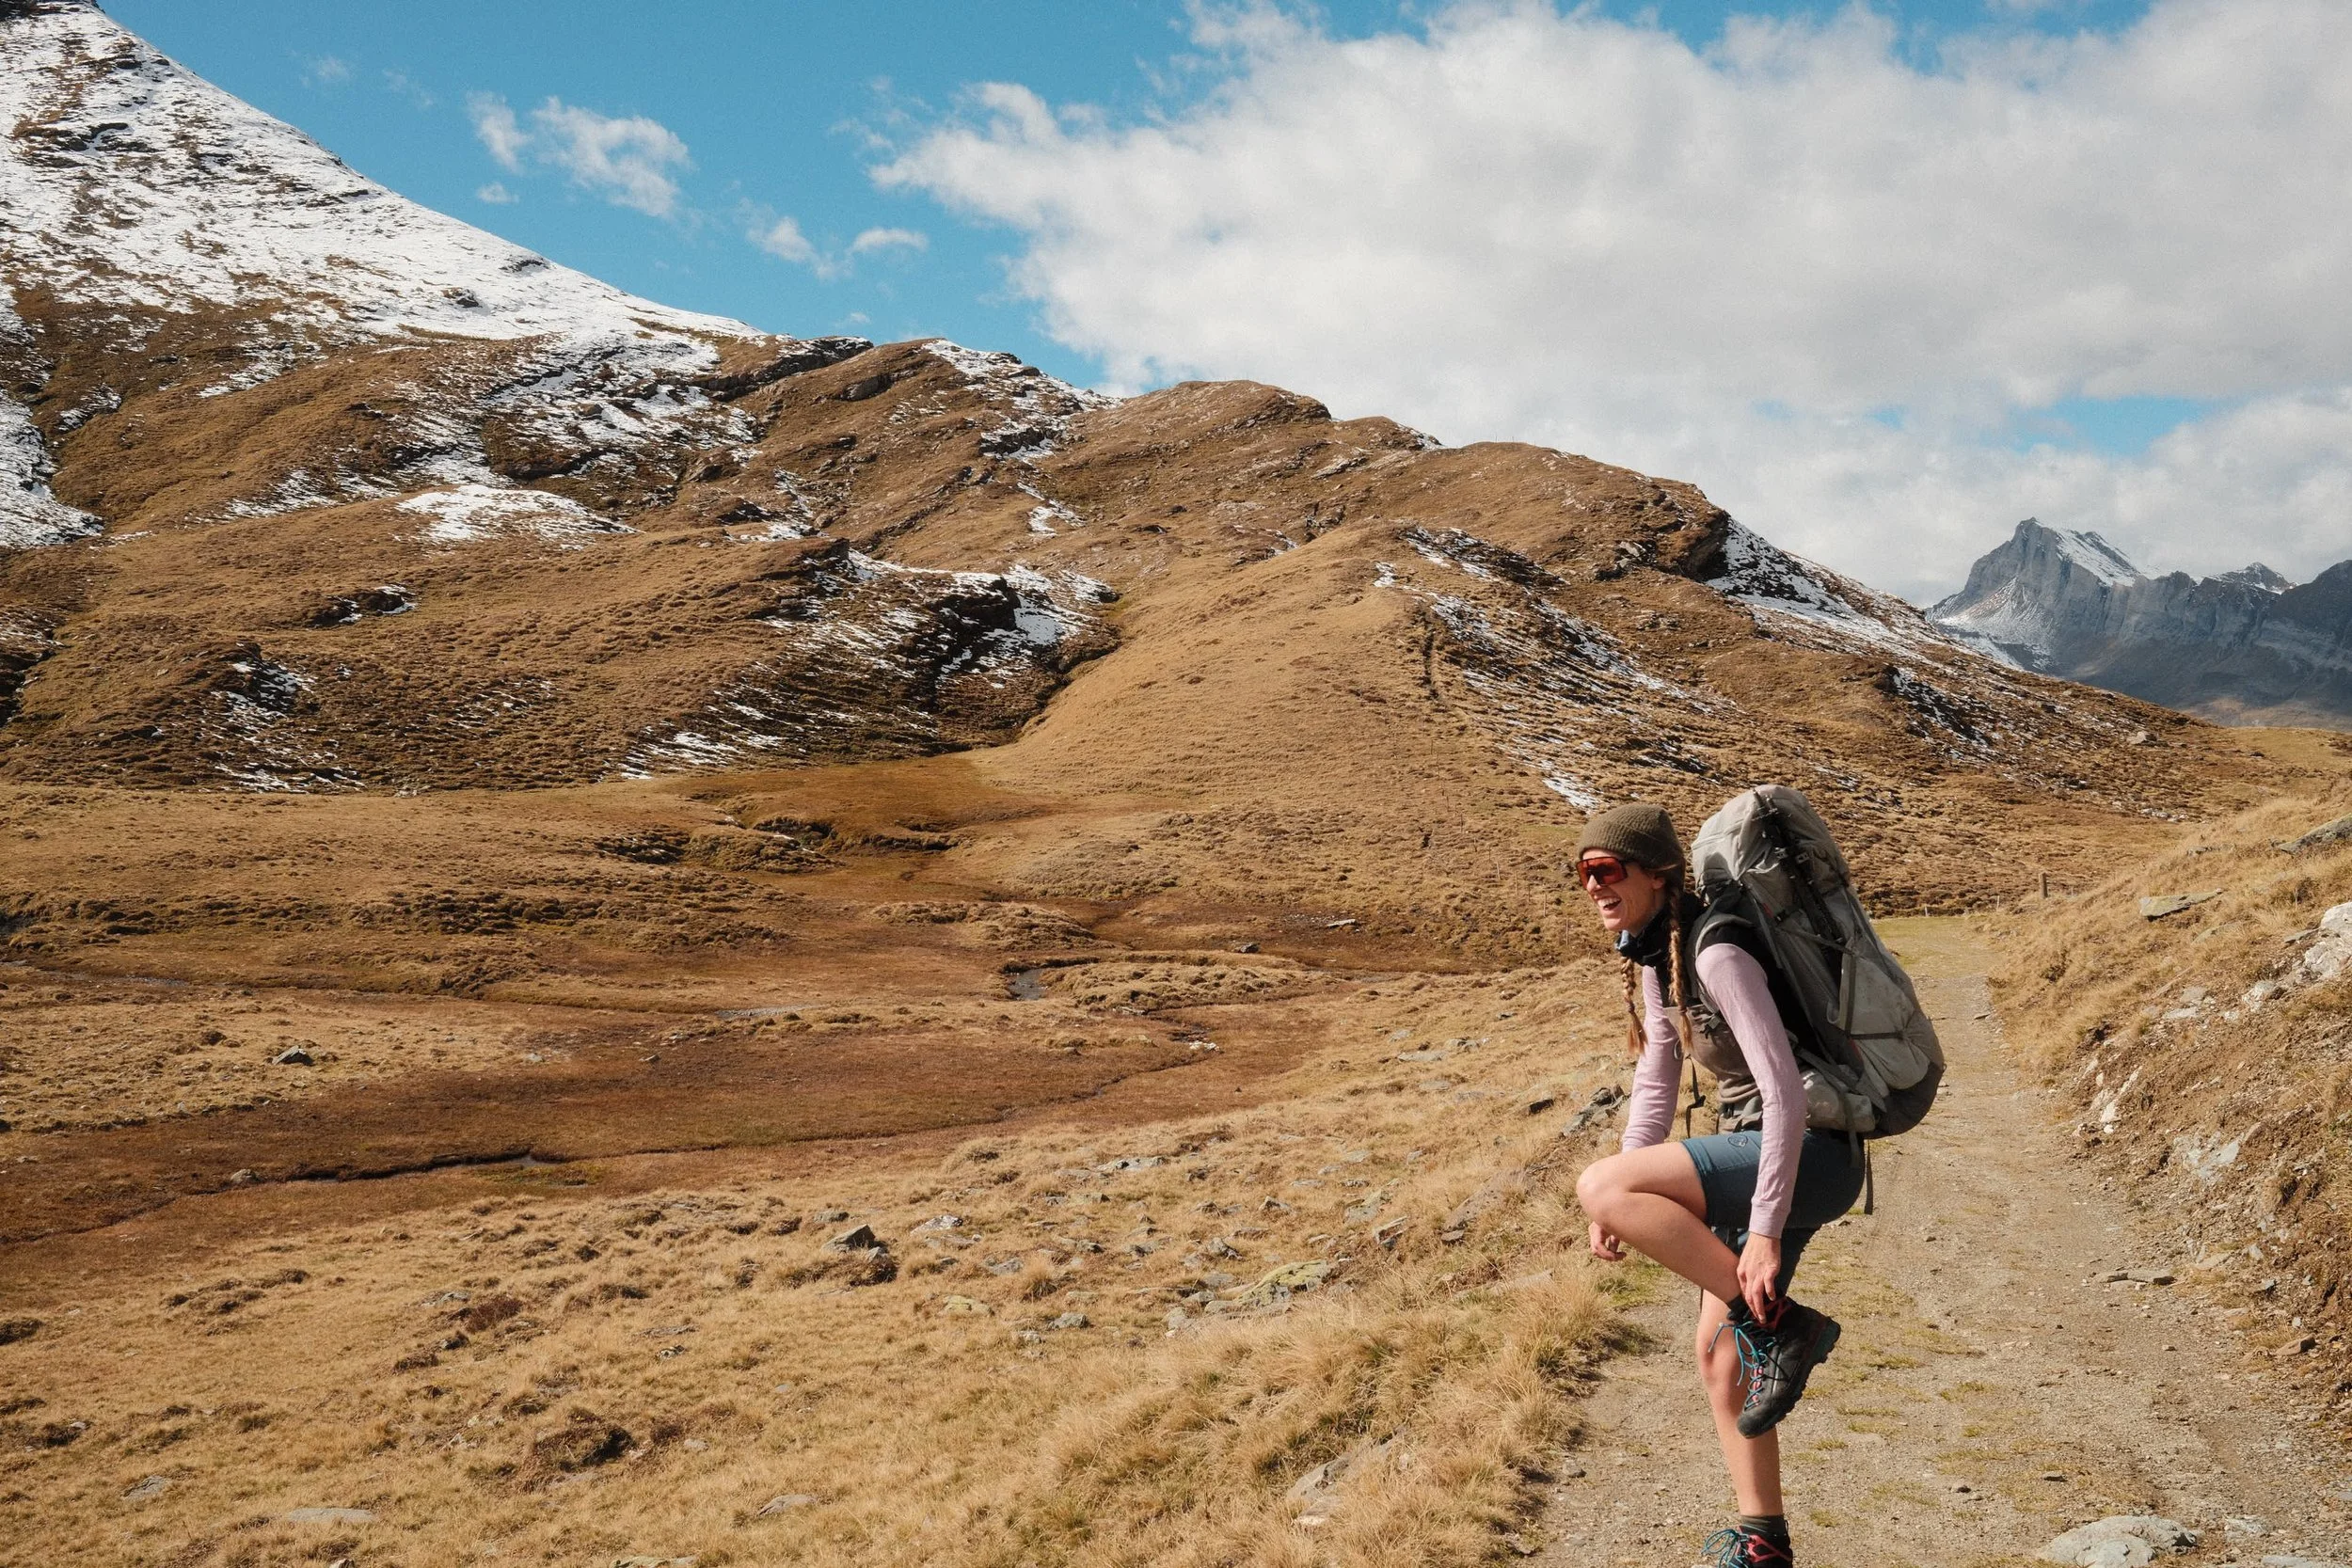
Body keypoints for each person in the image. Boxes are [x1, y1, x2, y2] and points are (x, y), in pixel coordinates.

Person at [1569, 802, 1865, 1568]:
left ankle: (1787, 1327)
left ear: (1657, 873)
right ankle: (1765, 1540)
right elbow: (1657, 1078)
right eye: (1582, 873)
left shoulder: (1715, 950)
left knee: (1598, 1183)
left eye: (1607, 870)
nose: (1593, 886)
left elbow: (1786, 1092)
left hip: (1809, 1153)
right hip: (1766, 1152)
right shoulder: (1658, 958)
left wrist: (1762, 1229)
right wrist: (1622, 1203)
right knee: (1720, 1361)